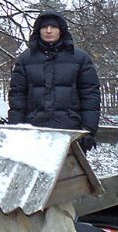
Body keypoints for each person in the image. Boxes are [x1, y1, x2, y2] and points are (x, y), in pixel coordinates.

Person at [8, 11, 100, 151]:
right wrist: (16, 129)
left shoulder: (80, 59)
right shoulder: (25, 60)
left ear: (61, 30)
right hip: (34, 131)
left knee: (71, 173)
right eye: (44, 27)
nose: (48, 31)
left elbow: (90, 96)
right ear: (38, 31)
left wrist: (88, 130)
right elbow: (17, 97)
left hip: (70, 131)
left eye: (53, 27)